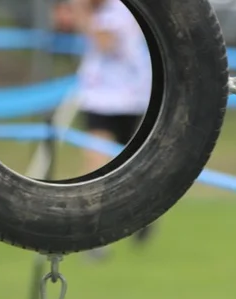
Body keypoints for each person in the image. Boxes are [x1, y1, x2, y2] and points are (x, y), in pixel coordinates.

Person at [53, 0, 156, 254]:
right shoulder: (99, 12)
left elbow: (105, 43)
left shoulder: (118, 11)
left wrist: (81, 14)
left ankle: (144, 214)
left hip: (127, 99)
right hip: (98, 99)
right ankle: (96, 235)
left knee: (133, 168)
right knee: (95, 165)